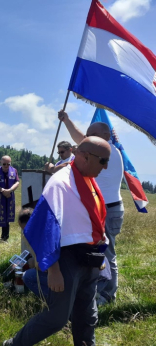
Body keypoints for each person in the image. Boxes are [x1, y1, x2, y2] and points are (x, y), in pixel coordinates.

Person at [3, 136, 111, 346]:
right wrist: (53, 269)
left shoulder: (90, 180)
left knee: (87, 315)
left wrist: (100, 252)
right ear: (84, 156)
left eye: (107, 162)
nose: (105, 167)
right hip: (67, 258)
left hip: (90, 258)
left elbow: (93, 219)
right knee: (58, 318)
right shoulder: (60, 182)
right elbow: (46, 226)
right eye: (103, 161)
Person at [59, 110, 123, 306]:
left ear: (105, 136)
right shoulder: (105, 149)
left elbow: (81, 140)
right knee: (98, 251)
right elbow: (81, 138)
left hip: (108, 210)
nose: (87, 138)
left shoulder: (108, 152)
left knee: (107, 253)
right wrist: (67, 120)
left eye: (91, 135)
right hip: (104, 210)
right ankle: (97, 287)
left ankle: (108, 294)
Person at [0, 155, 19, 242]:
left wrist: (10, 190)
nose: (6, 166)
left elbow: (17, 182)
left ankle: (4, 238)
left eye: (8, 164)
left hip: (9, 197)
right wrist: (2, 190)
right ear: (1, 162)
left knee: (6, 218)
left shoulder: (14, 171)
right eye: (4, 164)